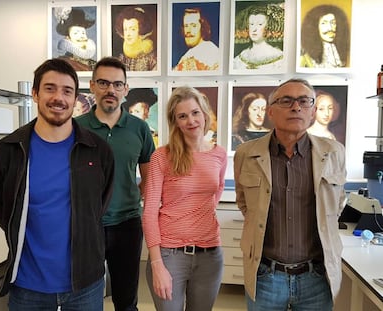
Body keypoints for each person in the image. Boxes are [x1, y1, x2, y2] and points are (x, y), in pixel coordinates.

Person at [0, 58, 115, 310]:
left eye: (67, 91)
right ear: (35, 93)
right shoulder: (7, 151)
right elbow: (1, 206)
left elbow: (99, 205)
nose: (59, 98)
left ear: (75, 99)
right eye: (50, 88)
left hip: (85, 284)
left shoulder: (97, 151)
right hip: (27, 284)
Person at [233, 78, 346, 310]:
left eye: (304, 101)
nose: (296, 107)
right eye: (287, 101)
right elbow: (245, 204)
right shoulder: (246, 153)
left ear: (312, 111)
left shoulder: (334, 152)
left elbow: (337, 203)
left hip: (316, 277)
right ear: (271, 111)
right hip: (265, 276)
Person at [75, 56, 155, 311]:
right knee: (85, 297)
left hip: (127, 225)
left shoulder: (139, 129)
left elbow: (150, 174)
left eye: (117, 84)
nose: (111, 90)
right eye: (104, 83)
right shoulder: (76, 128)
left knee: (126, 299)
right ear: (92, 86)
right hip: (86, 224)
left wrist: (131, 195)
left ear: (125, 90)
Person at [142, 86, 227, 311]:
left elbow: (215, 194)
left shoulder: (219, 154)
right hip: (170, 255)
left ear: (204, 114)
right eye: (183, 116)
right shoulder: (163, 156)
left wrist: (198, 217)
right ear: (175, 121)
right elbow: (149, 212)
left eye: (195, 112)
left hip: (210, 255)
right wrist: (157, 264)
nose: (191, 120)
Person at [233, 4, 284, 70]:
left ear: (268, 27)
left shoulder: (279, 58)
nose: (254, 29)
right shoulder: (240, 58)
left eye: (260, 24)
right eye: (251, 24)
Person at [115, 6, 157, 71]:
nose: (128, 34)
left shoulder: (152, 58)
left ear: (141, 30)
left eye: (133, 29)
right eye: (125, 29)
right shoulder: (121, 59)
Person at [54, 7, 97, 71]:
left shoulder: (93, 64)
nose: (81, 36)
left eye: (83, 33)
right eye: (76, 33)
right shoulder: (62, 63)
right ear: (68, 38)